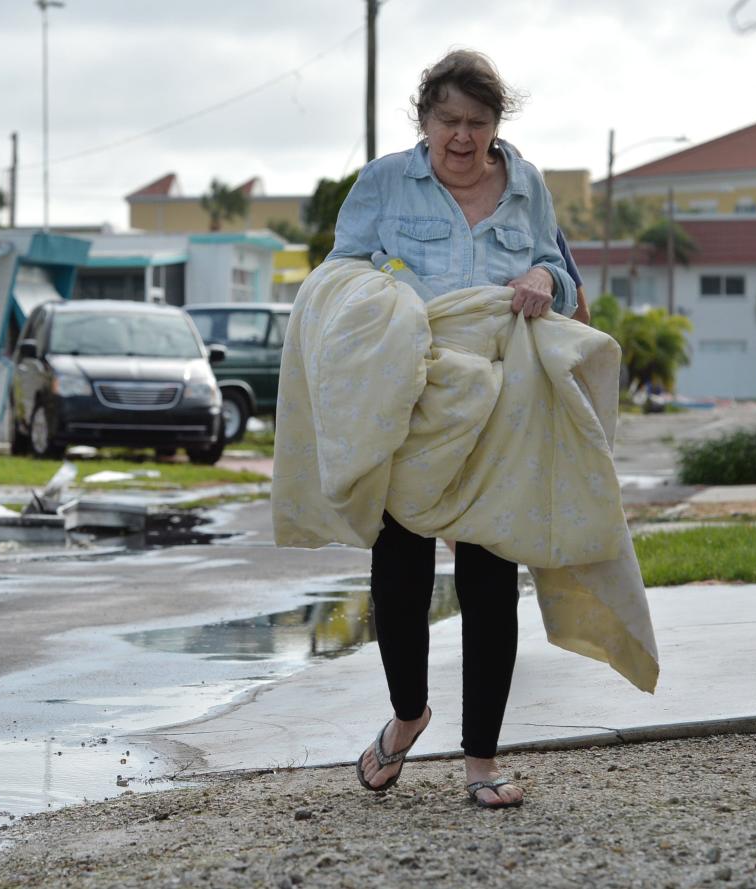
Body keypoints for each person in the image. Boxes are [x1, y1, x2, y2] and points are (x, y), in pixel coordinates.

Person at [325, 49, 578, 808]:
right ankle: (408, 715)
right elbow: (340, 273)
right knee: (400, 571)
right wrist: (385, 309)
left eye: (478, 123)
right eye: (448, 121)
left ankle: (482, 759)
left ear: (498, 125)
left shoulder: (526, 184)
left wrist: (542, 278)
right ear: (424, 119)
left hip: (499, 401)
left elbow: (559, 271)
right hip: (409, 402)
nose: (462, 138)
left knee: (490, 577)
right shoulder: (382, 184)